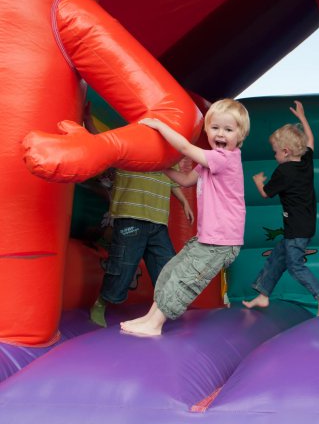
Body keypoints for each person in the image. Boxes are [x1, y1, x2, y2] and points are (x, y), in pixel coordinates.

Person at [120, 98, 248, 336]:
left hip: (221, 242)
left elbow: (187, 149)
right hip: (207, 238)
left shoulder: (226, 159)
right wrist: (162, 168)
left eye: (228, 130)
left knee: (184, 279)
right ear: (207, 130)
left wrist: (160, 126)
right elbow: (187, 180)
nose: (221, 134)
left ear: (240, 135)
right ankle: (150, 317)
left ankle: (155, 325)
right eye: (215, 128)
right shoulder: (210, 161)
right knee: (171, 271)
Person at [85, 104, 195, 328]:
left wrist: (184, 201)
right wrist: (88, 121)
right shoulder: (128, 144)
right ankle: (101, 303)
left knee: (167, 267)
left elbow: (171, 180)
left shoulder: (167, 153)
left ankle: (165, 309)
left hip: (158, 222)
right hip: (131, 216)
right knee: (122, 267)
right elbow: (100, 144)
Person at [242, 101, 319, 316]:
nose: (274, 156)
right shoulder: (305, 161)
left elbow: (266, 193)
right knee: (278, 256)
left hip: (297, 228)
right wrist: (302, 117)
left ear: (285, 152)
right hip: (305, 225)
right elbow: (310, 140)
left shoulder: (283, 171)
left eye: (275, 152)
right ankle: (263, 294)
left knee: (294, 265)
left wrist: (258, 181)